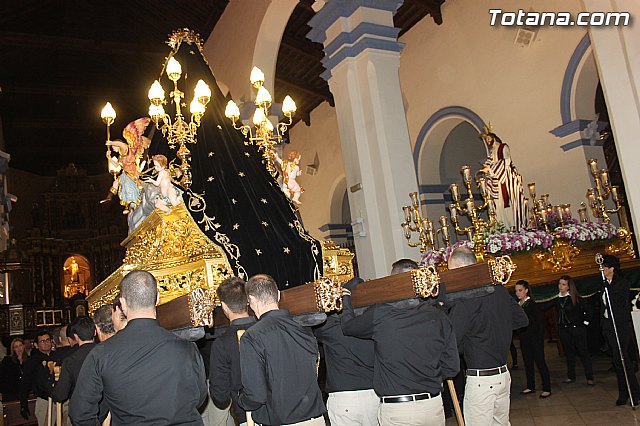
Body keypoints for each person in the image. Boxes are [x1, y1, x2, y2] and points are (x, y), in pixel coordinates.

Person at [70, 270, 208, 425]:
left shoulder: (101, 354)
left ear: (122, 304)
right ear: (157, 298)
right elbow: (200, 397)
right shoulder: (188, 348)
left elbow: (80, 414)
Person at [340, 272, 459, 426]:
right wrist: (426, 378)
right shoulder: (438, 315)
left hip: (400, 409)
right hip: (433, 405)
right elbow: (452, 367)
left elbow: (348, 327)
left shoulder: (381, 313)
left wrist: (346, 296)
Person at [447, 246, 528, 426]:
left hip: (481, 379)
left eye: (451, 271)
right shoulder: (498, 289)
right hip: (502, 375)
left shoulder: (465, 299)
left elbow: (452, 341)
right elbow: (521, 319)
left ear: (461, 269)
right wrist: (498, 329)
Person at [238, 274, 326, 425]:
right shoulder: (305, 329)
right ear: (278, 295)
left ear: (251, 299)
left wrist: (242, 401)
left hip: (282, 420)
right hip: (315, 418)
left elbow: (256, 395)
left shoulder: (252, 336)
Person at [314, 277, 378, 426]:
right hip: (374, 394)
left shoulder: (330, 326)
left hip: (344, 398)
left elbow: (311, 325)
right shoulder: (377, 320)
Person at [209, 277, 256, 426]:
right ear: (248, 300)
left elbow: (220, 396)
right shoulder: (267, 329)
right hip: (280, 413)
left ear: (223, 306)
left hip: (248, 415)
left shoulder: (222, 344)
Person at [600, 254, 640, 405]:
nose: (602, 269)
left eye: (604, 267)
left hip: (620, 326)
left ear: (612, 269)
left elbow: (621, 303)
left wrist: (609, 289)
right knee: (617, 361)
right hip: (609, 326)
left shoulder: (622, 283)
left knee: (623, 360)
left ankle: (633, 393)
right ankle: (625, 392)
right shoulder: (603, 284)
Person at [479, 125, 528, 231]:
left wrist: (492, 170)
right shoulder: (492, 152)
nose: (488, 142)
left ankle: (514, 224)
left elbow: (506, 162)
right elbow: (488, 163)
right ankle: (504, 225)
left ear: (494, 138)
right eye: (486, 140)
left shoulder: (503, 147)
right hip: (497, 179)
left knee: (509, 202)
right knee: (499, 203)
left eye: (488, 139)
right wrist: (486, 173)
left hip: (506, 177)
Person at [515, 280, 552, 398]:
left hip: (534, 339)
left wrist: (538, 337)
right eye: (516, 291)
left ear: (526, 290)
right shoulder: (518, 305)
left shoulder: (532, 305)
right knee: (527, 362)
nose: (518, 293)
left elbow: (540, 322)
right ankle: (530, 386)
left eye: (520, 290)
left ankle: (547, 388)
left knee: (540, 362)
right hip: (524, 338)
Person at [555, 275, 594, 385]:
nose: (560, 286)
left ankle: (589, 377)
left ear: (569, 287)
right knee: (569, 353)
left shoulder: (575, 298)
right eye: (560, 284)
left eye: (563, 284)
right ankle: (571, 376)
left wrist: (585, 323)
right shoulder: (557, 299)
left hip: (577, 329)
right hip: (564, 330)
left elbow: (590, 310)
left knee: (583, 352)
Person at [19, 330, 55, 426]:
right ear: (36, 345)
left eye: (48, 340)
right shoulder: (32, 362)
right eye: (42, 341)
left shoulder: (58, 356)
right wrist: (23, 404)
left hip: (59, 398)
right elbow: (25, 383)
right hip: (44, 400)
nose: (46, 343)